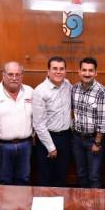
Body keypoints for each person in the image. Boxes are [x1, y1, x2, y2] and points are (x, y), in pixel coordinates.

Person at [0, 61, 33, 185]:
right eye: (10, 74)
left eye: (18, 74)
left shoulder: (30, 91)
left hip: (25, 145)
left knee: (24, 179)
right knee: (3, 181)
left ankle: (21, 205)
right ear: (3, 75)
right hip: (2, 146)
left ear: (22, 75)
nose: (14, 78)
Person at [71, 57, 105, 188]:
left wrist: (97, 142)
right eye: (84, 70)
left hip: (93, 140)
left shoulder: (102, 92)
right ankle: (83, 204)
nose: (87, 73)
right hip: (77, 139)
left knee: (94, 176)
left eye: (90, 71)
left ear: (95, 73)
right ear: (79, 71)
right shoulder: (74, 88)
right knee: (81, 173)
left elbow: (103, 120)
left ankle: (94, 207)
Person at [33, 56, 72, 186]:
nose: (58, 72)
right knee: (46, 177)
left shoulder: (68, 85)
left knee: (62, 176)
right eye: (54, 68)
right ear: (48, 71)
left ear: (65, 71)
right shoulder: (40, 91)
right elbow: (38, 124)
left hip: (66, 138)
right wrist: (51, 147)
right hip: (47, 139)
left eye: (61, 69)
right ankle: (44, 205)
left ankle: (59, 204)